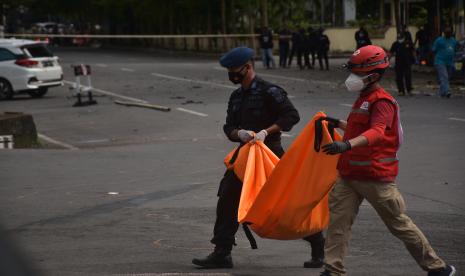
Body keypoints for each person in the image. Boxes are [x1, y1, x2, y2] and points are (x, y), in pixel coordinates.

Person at [318, 45, 456, 276]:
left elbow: (377, 132)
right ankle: (333, 270)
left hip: (376, 177)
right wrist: (338, 124)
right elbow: (358, 129)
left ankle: (437, 268)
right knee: (338, 226)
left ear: (372, 75)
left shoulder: (382, 101)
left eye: (357, 73)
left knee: (399, 225)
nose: (352, 78)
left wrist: (347, 144)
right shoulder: (363, 98)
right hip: (349, 175)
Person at [191, 47, 325, 269]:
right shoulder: (236, 96)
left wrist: (266, 131)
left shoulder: (269, 91)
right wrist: (238, 134)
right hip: (245, 157)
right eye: (229, 70)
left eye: (234, 69)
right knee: (228, 198)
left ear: (248, 67)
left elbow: (291, 115)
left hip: (269, 154)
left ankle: (318, 244)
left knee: (286, 206)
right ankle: (222, 252)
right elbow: (229, 127)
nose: (231, 73)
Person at [432, 27, 457, 98]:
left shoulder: (453, 41)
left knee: (447, 77)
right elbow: (434, 49)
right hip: (440, 61)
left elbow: (455, 49)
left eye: (449, 33)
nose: (448, 34)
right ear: (444, 33)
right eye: (447, 33)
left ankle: (442, 92)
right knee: (444, 76)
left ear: (451, 33)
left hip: (450, 62)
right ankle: (447, 91)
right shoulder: (439, 40)